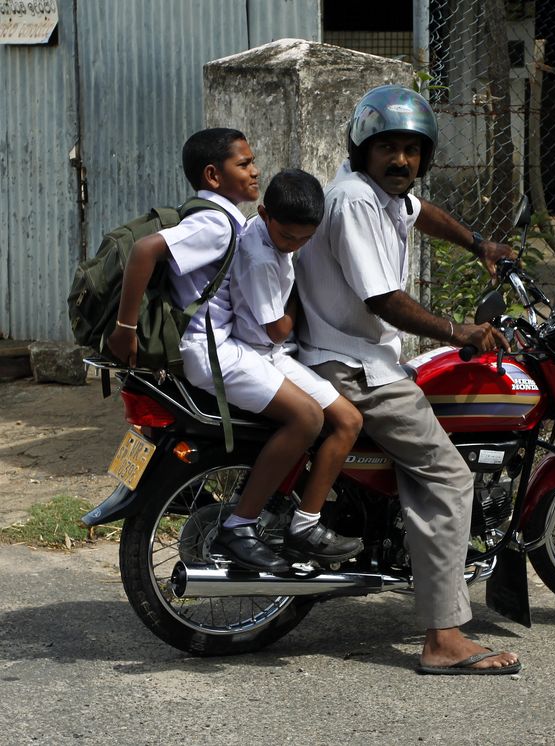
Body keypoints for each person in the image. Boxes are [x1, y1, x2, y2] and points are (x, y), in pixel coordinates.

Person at [295, 85, 521, 675]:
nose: (402, 160)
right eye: (388, 148)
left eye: (412, 150)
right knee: (448, 476)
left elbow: (426, 215)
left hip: (365, 356)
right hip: (352, 365)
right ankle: (443, 638)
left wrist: (481, 245)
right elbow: (385, 300)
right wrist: (460, 332)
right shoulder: (354, 203)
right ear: (362, 149)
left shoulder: (389, 197)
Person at [106, 128, 353, 573]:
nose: (255, 169)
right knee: (307, 418)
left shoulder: (237, 220)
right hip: (216, 352)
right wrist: (125, 327)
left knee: (339, 418)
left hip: (230, 348)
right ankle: (241, 525)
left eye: (253, 160)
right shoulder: (216, 223)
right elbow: (144, 251)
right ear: (212, 175)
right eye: (243, 163)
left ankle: (294, 517)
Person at [229, 168, 364, 565]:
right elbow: (276, 330)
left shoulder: (274, 238)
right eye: (288, 237)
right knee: (328, 421)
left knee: (348, 421)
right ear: (264, 212)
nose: (295, 246)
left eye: (305, 239)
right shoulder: (260, 259)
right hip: (261, 352)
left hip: (276, 353)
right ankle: (275, 520)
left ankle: (300, 515)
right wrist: (300, 294)